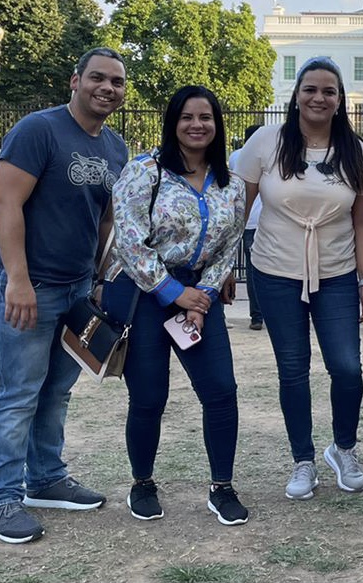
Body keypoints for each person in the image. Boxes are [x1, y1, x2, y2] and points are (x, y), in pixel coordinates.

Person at [0, 48, 127, 544]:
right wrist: (18, 280)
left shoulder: (115, 147)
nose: (107, 88)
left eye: (117, 82)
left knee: (56, 391)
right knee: (17, 393)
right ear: (75, 80)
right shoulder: (37, 130)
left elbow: (106, 218)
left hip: (77, 289)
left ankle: (45, 479)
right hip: (31, 285)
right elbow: (7, 203)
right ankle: (0, 499)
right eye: (98, 78)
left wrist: (100, 277)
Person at [233, 56, 363, 500]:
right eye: (310, 89)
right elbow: (236, 212)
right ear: (296, 95)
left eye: (328, 91)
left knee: (347, 368)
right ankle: (303, 459)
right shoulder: (266, 142)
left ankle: (344, 449)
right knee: (292, 370)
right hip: (275, 272)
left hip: (336, 272)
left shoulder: (355, 150)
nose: (318, 97)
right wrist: (219, 269)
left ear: (339, 100)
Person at [107, 85, 247, 525]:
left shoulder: (232, 183)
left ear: (217, 125)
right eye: (187, 117)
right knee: (149, 396)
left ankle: (221, 487)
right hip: (147, 293)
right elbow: (129, 239)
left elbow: (229, 247)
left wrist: (201, 296)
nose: (197, 125)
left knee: (221, 392)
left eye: (205, 117)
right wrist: (171, 292)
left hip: (200, 299)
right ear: (173, 123)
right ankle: (142, 482)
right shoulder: (144, 171)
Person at [227, 124, 264, 330]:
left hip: (242, 218)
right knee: (263, 269)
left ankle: (256, 316)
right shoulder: (267, 154)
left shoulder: (235, 156)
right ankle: (262, 313)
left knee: (247, 269)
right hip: (261, 219)